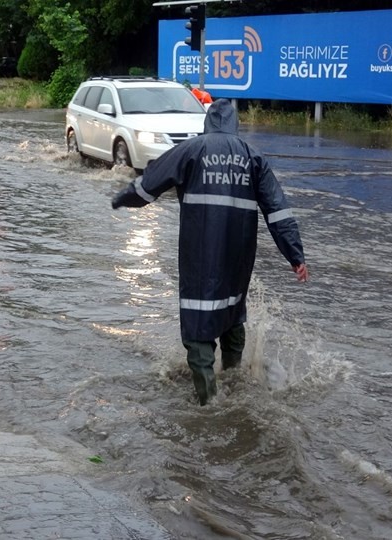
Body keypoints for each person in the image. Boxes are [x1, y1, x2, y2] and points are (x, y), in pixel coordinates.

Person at [111, 99, 308, 406]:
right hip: (238, 259)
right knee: (232, 313)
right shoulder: (253, 157)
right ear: (235, 124)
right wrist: (296, 256)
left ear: (207, 124)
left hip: (201, 256)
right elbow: (278, 211)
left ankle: (209, 405)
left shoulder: (190, 150)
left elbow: (149, 184)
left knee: (199, 323)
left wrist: (119, 199)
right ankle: (234, 381)